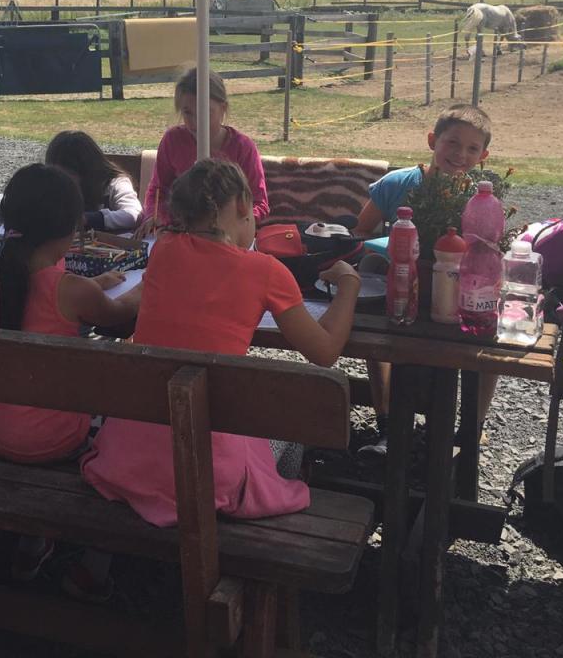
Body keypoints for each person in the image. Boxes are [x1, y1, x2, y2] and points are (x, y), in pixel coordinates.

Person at [80, 158, 361, 528]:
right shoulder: (266, 271)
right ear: (244, 206)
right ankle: (272, 504)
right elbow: (324, 352)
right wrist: (349, 283)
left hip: (130, 459)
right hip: (211, 473)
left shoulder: (163, 250)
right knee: (293, 424)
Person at [0, 163, 140, 601]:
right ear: (70, 229)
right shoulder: (72, 290)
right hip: (51, 441)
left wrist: (91, 284)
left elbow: (49, 289)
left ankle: (34, 544)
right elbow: (121, 315)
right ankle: (93, 565)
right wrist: (146, 285)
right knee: (130, 434)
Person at [353, 103, 496, 460]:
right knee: (375, 335)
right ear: (433, 141)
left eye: (472, 148)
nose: (460, 154)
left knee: (492, 343)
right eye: (452, 143)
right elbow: (361, 230)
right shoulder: (396, 184)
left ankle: (471, 429)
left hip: (457, 293)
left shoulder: (481, 199)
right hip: (401, 288)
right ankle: (387, 420)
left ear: (483, 157)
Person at [141, 68, 268, 231]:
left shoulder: (243, 148)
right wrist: (155, 217)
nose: (195, 122)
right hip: (181, 232)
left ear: (223, 108)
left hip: (228, 237)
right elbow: (158, 191)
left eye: (205, 112)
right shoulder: (172, 141)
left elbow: (259, 203)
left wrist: (230, 225)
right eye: (187, 112)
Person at [43, 130, 141, 232]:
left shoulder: (115, 184)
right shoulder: (54, 185)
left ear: (86, 170)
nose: (63, 181)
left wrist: (90, 219)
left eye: (68, 174)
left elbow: (133, 214)